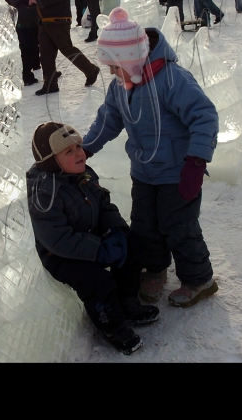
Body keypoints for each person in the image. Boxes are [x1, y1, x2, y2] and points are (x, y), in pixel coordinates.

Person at [83, 8, 220, 309]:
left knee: (179, 226)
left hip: (177, 172)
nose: (111, 74)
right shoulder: (123, 85)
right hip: (144, 171)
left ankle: (199, 279)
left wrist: (196, 161)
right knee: (145, 225)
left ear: (132, 59)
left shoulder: (172, 79)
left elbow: (204, 116)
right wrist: (85, 149)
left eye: (115, 66)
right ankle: (154, 269)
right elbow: (109, 119)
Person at [27, 122, 158, 356]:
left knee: (133, 246)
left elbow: (103, 204)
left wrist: (116, 229)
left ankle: (127, 302)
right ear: (50, 160)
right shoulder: (44, 193)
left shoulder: (83, 173)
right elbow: (57, 239)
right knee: (96, 280)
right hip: (60, 254)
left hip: (91, 236)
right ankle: (113, 326)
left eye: (78, 146)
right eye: (69, 151)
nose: (79, 152)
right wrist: (98, 250)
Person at [29, 0, 99, 96]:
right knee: (45, 54)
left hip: (58, 19)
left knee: (67, 49)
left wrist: (38, 0)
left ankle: (91, 70)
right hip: (44, 20)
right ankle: (50, 83)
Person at [2, 0, 41, 87]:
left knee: (28, 47)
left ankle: (30, 70)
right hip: (25, 19)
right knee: (28, 47)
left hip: (24, 19)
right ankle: (27, 74)